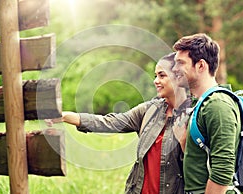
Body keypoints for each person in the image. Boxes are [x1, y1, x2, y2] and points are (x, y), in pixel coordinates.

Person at [45, 52, 191, 194]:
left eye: (162, 75)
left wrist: (184, 142)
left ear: (179, 77)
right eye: (155, 76)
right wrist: (65, 116)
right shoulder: (149, 110)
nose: (155, 81)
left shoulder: (194, 115)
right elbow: (109, 122)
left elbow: (201, 169)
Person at [172, 33, 241, 194]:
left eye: (180, 63)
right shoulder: (202, 104)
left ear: (201, 66)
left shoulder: (217, 105)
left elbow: (223, 170)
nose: (174, 69)